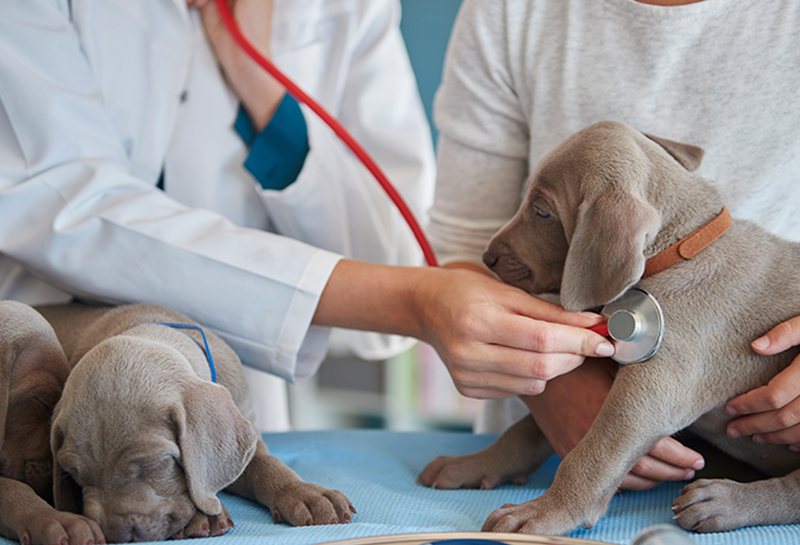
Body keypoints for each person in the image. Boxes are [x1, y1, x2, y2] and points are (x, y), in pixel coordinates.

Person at [0, 0, 613, 430]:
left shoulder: (343, 8)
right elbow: (59, 198)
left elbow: (396, 264)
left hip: (226, 416)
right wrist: (411, 300)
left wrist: (263, 91)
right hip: (39, 381)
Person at [428, 0, 800, 489]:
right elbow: (466, 249)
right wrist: (554, 383)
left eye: (542, 213)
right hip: (558, 423)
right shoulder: (510, 10)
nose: (511, 237)